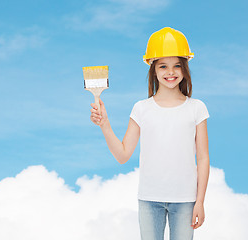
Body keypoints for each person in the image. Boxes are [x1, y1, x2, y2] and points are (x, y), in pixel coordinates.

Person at [89, 27, 210, 240]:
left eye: (176, 66)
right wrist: (104, 124)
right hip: (149, 199)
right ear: (153, 69)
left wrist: (199, 201)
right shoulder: (141, 109)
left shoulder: (196, 108)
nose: (170, 72)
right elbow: (123, 155)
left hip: (185, 200)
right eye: (163, 66)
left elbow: (203, 158)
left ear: (185, 69)